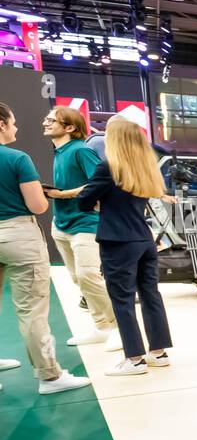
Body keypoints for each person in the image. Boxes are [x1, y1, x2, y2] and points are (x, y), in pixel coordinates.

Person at [0, 102, 93, 395]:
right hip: (18, 237)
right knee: (32, 311)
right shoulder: (17, 159)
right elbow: (38, 205)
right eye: (13, 123)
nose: (16, 128)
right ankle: (49, 377)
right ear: (1, 125)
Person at [77, 116, 173, 376]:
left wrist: (98, 201)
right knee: (151, 295)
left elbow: (84, 202)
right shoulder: (146, 168)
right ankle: (159, 352)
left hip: (118, 241)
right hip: (144, 239)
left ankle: (134, 359)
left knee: (122, 300)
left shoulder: (109, 167)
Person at [41, 106, 118, 347]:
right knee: (78, 279)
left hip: (85, 223)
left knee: (88, 277)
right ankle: (100, 327)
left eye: (52, 120)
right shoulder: (59, 151)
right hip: (62, 224)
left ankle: (118, 327)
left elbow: (99, 184)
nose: (46, 122)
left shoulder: (80, 150)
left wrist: (63, 195)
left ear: (70, 127)